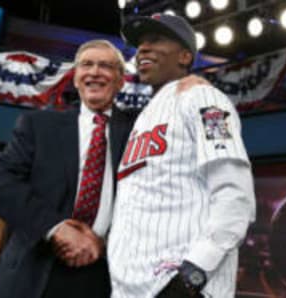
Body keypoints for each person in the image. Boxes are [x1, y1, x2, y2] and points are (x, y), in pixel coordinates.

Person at [108, 14, 256, 298]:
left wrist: (193, 274)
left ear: (185, 56)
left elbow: (235, 195)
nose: (143, 49)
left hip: (182, 286)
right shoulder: (144, 117)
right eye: (140, 43)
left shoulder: (202, 98)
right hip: (131, 287)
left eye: (156, 40)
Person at [0, 39, 136, 298]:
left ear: (121, 80)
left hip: (104, 275)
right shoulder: (38, 125)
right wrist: (56, 228)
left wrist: (104, 243)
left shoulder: (139, 130)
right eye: (86, 65)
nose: (95, 72)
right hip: (33, 271)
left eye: (105, 66)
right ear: (75, 77)